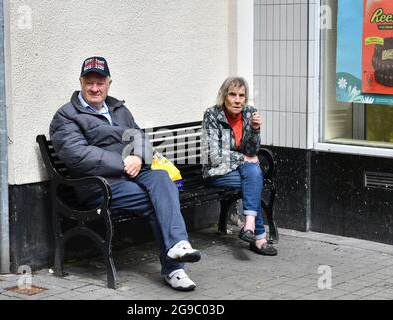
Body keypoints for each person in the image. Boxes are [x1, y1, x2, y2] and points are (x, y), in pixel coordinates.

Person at [49, 56, 201, 291]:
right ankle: (174, 269)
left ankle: (179, 244)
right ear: (80, 82)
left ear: (109, 82)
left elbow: (139, 136)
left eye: (100, 83)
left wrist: (138, 157)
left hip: (133, 173)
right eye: (89, 82)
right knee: (158, 201)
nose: (95, 88)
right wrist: (123, 162)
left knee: (163, 179)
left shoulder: (118, 108)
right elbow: (78, 154)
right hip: (99, 184)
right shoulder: (66, 116)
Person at [201, 76, 278, 256]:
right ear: (224, 95)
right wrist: (242, 158)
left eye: (241, 96)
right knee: (254, 177)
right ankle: (259, 236)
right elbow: (213, 154)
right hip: (216, 172)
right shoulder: (212, 115)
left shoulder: (250, 113)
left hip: (241, 171)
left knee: (252, 175)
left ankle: (249, 226)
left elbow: (252, 151)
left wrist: (255, 130)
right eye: (232, 94)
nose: (237, 100)